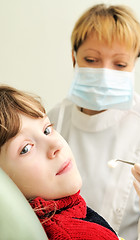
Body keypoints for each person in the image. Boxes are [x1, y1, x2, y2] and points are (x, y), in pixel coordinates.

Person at [47, 3, 140, 240]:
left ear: (133, 65)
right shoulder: (54, 120)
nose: (106, 73)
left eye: (119, 64)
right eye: (91, 59)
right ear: (73, 57)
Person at [0, 85, 125, 240]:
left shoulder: (67, 209)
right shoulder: (75, 235)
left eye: (46, 130)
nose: (56, 146)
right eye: (26, 148)